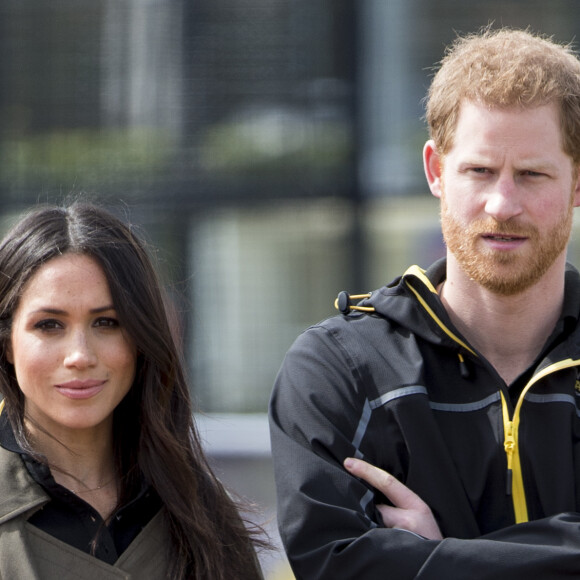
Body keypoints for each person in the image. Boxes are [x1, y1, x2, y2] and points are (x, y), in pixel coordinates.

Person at [269, 27, 580, 579]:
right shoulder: (342, 371)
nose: (502, 204)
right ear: (436, 170)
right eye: (479, 170)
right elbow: (336, 568)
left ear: (578, 181)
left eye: (532, 174)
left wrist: (432, 560)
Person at [0, 201, 264, 579]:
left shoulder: (202, 514)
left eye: (107, 322)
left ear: (141, 339)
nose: (80, 356)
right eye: (49, 325)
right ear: (7, 343)